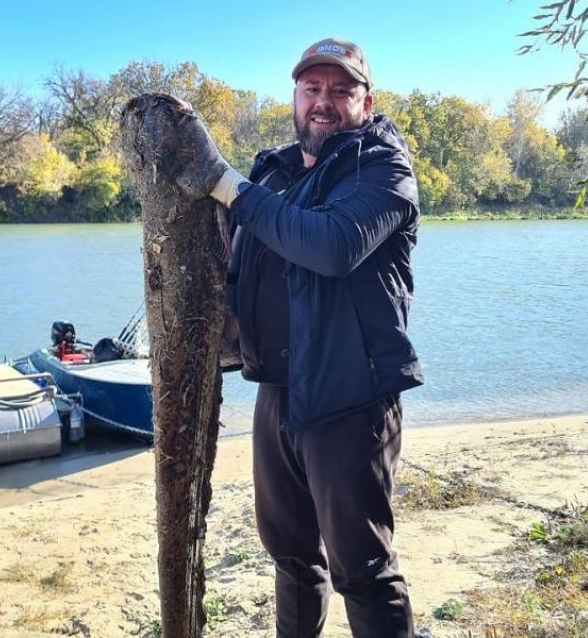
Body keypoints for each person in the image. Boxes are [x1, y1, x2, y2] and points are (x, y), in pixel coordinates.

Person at [178, 37, 423, 638]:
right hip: (278, 395)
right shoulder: (279, 171)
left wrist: (229, 185)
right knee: (290, 557)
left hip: (349, 398)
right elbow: (243, 262)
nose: (324, 103)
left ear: (367, 99)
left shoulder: (384, 169)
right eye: (313, 89)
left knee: (364, 571)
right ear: (294, 95)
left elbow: (330, 246)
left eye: (341, 91)